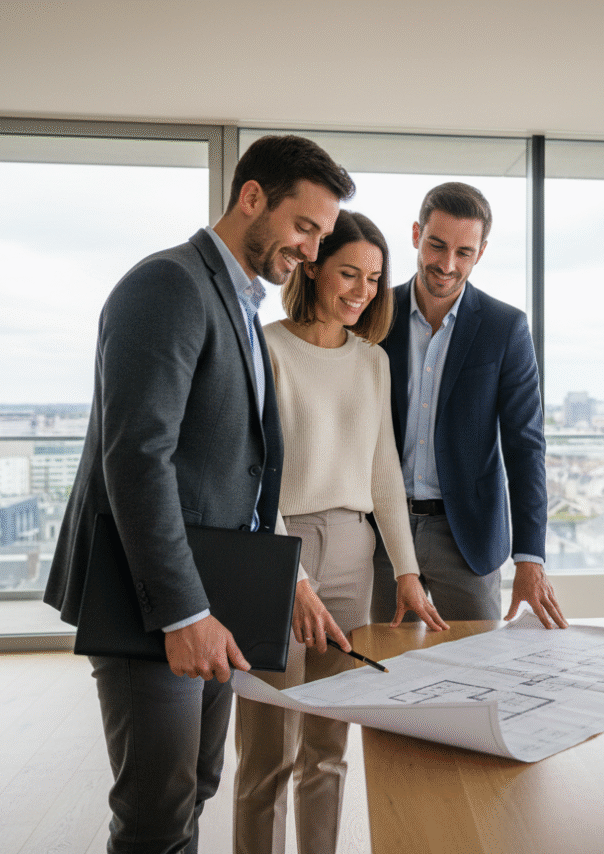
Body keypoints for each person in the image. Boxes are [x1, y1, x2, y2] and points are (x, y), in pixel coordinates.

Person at [43, 134, 355, 854]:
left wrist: (285, 580)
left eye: (321, 235)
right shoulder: (168, 286)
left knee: (197, 789)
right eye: (303, 227)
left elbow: (230, 469)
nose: (311, 251)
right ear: (252, 198)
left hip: (215, 601)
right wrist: (183, 612)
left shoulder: (241, 302)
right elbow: (137, 458)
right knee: (155, 817)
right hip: (154, 601)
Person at [234, 210, 447, 854]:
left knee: (328, 748)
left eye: (374, 278)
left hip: (354, 556)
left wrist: (407, 575)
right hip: (277, 552)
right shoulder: (264, 346)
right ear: (314, 267)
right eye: (348, 273)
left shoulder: (373, 362)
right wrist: (292, 578)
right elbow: (253, 477)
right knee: (267, 750)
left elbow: (385, 473)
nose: (361, 290)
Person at [371, 181, 568, 629]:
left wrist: (530, 558)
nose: (446, 264)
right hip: (382, 531)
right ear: (417, 234)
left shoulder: (505, 328)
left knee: (481, 675)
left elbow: (525, 446)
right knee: (383, 675)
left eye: (463, 252)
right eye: (437, 245)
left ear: (480, 252)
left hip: (467, 537)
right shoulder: (377, 312)